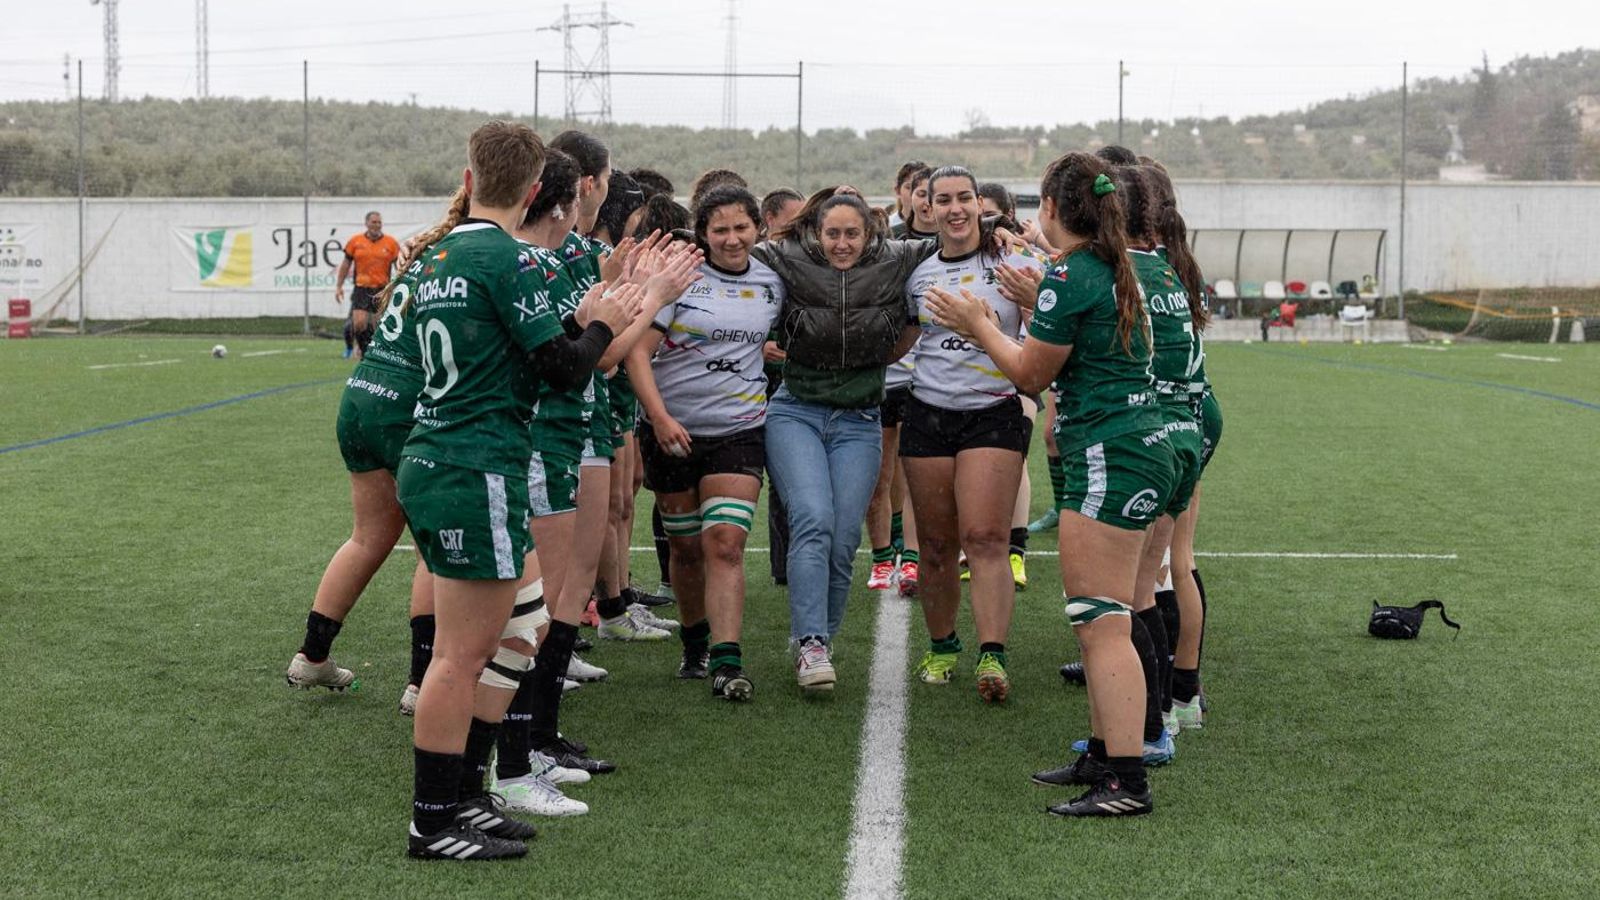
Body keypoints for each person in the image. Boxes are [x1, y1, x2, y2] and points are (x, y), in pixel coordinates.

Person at [396, 121, 641, 859]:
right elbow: (566, 369)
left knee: (523, 623)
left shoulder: (438, 252)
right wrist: (601, 323)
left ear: (469, 181)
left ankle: (467, 795)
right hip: (475, 463)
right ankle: (434, 818)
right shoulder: (508, 259)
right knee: (462, 655)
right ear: (536, 190)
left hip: (446, 456)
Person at [927, 151, 1177, 817]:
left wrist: (977, 324)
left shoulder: (1071, 273)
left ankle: (1126, 780)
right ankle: (1106, 751)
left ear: (1057, 212)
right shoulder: (1109, 266)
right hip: (1138, 443)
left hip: (1111, 454)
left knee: (1100, 622)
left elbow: (1030, 375)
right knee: (1109, 613)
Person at [752, 190, 936, 690]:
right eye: (832, 233)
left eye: (851, 233)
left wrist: (1004, 226)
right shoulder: (788, 256)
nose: (841, 243)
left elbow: (950, 241)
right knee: (812, 517)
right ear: (816, 231)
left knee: (844, 537)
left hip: (859, 419)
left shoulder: (896, 257)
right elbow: (732, 247)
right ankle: (810, 642)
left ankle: (821, 639)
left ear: (870, 232)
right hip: (797, 412)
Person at [285, 194, 467, 697]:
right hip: (407, 407)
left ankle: (312, 655)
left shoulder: (428, 249)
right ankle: (420, 683)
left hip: (362, 396)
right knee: (433, 548)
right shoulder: (479, 255)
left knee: (368, 536)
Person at [628, 185, 784, 701]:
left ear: (758, 228)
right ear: (703, 233)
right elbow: (636, 355)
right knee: (688, 548)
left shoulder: (772, 281)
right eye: (720, 229)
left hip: (739, 429)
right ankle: (694, 645)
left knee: (726, 543)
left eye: (742, 227)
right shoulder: (681, 278)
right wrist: (659, 417)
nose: (732, 238)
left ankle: (727, 660)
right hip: (671, 430)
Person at [902, 166, 1044, 703]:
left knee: (986, 539)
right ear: (928, 208)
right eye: (944, 200)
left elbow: (1042, 324)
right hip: (929, 413)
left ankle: (993, 654)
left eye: (965, 197)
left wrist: (1025, 302)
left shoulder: (1013, 259)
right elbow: (903, 340)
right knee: (936, 547)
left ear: (981, 203)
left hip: (993, 412)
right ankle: (942, 646)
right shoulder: (916, 271)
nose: (955, 208)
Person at [334, 211, 401, 359]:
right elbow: (346, 264)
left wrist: (402, 283)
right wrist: (338, 286)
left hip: (381, 289)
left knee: (377, 325)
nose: (376, 225)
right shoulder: (355, 242)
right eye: (373, 222)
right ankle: (364, 352)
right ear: (367, 223)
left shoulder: (390, 243)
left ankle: (374, 352)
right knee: (359, 324)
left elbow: (399, 266)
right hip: (361, 288)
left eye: (379, 222)